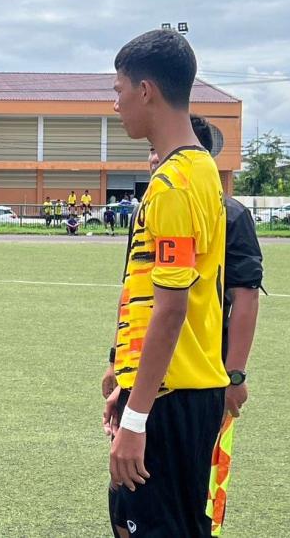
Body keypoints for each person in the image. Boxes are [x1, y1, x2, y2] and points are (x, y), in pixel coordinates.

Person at [102, 29, 228, 537]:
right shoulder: (201, 170)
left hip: (171, 397)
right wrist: (126, 376)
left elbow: (171, 308)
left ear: (146, 90)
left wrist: (137, 418)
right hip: (176, 389)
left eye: (119, 91)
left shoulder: (174, 185)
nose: (116, 104)